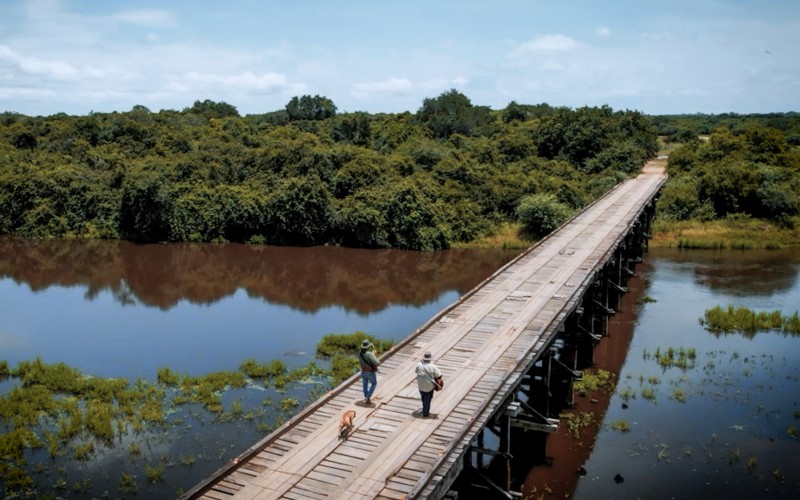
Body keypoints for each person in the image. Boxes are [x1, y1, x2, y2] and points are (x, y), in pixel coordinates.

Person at [415, 351, 443, 418]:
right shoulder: (432, 366)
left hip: (420, 385)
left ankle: (424, 407)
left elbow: (416, 371)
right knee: (428, 399)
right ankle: (425, 413)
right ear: (430, 358)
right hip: (429, 386)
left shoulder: (419, 364)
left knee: (423, 398)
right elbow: (439, 376)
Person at [359, 339, 380, 405]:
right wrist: (374, 355)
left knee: (365, 385)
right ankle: (367, 397)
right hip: (370, 373)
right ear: (368, 347)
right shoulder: (369, 354)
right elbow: (378, 363)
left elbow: (366, 357)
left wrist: (372, 354)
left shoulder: (359, 353)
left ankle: (367, 399)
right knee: (374, 383)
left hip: (363, 372)